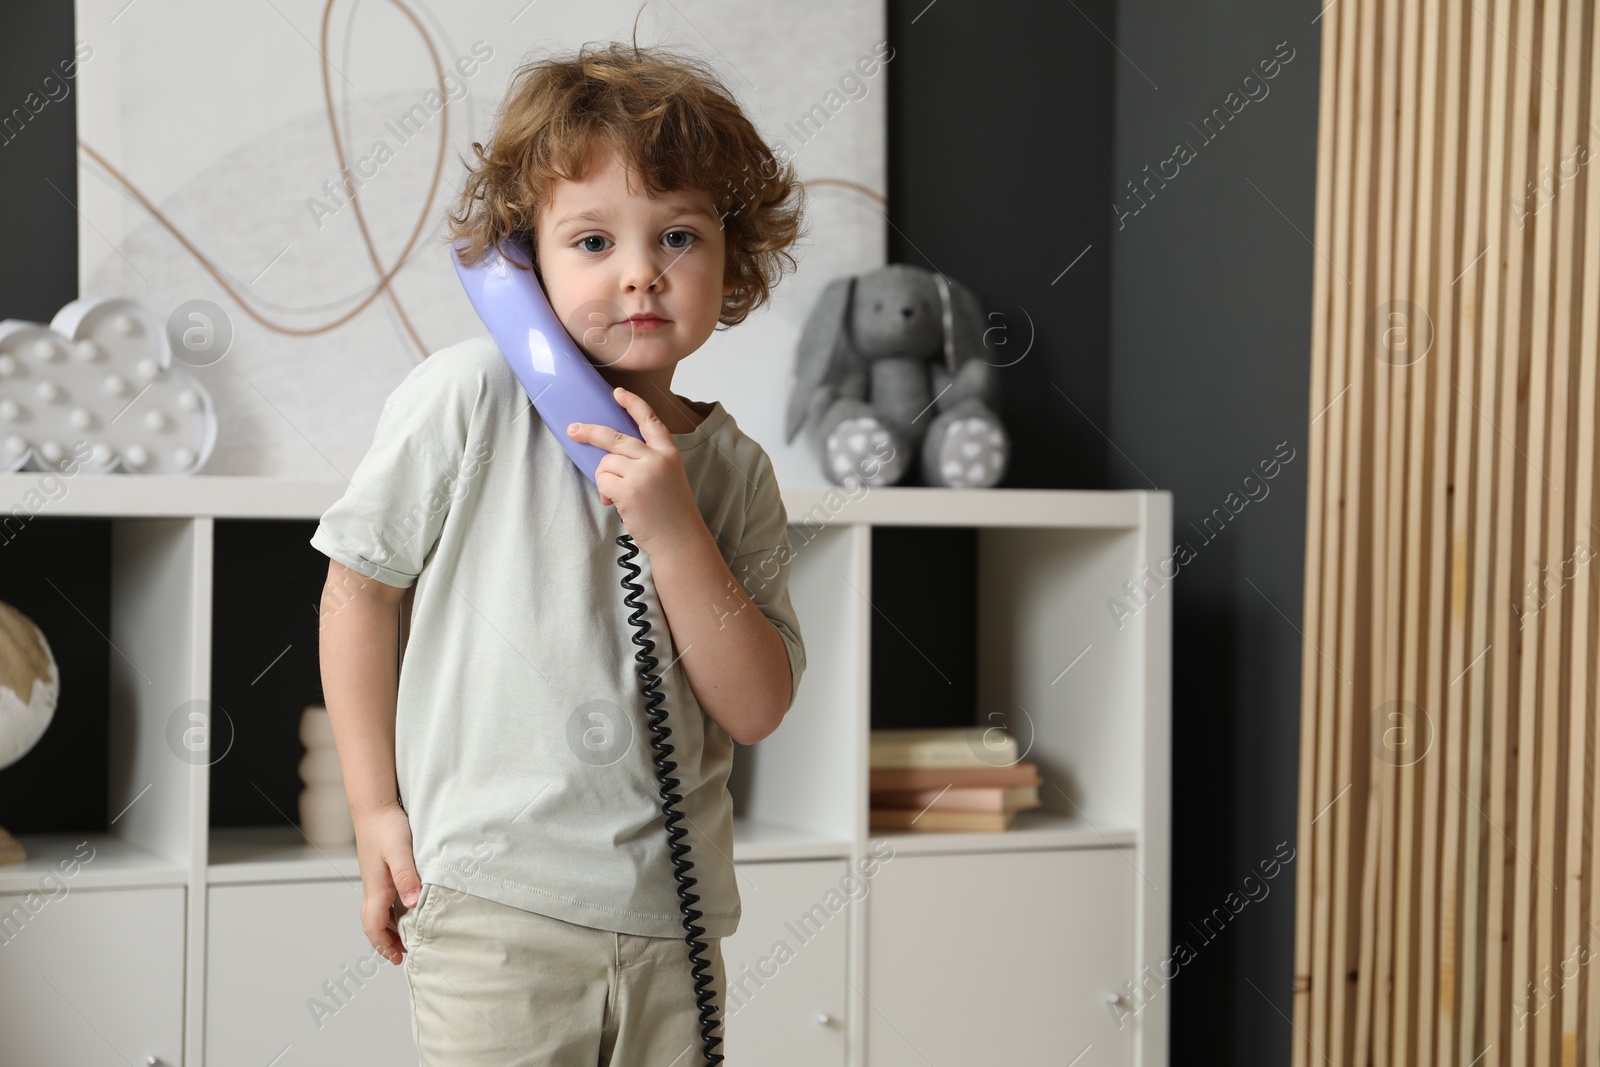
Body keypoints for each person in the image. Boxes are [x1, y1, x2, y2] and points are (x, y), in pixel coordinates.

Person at [311, 35, 808, 1066]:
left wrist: (669, 527)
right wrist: (373, 809)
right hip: (496, 912)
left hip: (674, 923)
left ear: (732, 256)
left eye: (678, 236)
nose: (640, 274)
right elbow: (359, 588)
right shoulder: (469, 397)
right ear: (518, 262)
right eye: (591, 242)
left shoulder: (734, 471)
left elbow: (756, 704)